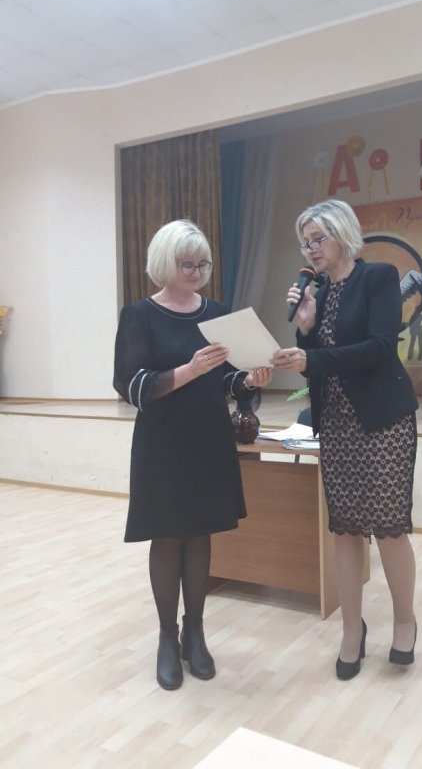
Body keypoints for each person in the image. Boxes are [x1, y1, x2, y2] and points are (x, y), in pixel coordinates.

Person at [113, 219, 272, 691]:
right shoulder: (139, 315)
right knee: (167, 537)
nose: (198, 271)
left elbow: (225, 378)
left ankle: (195, 633)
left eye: (204, 263)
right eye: (188, 264)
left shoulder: (218, 314)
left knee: (201, 535)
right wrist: (188, 370)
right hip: (162, 442)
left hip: (208, 438)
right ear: (165, 263)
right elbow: (129, 385)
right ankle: (167, 636)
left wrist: (248, 379)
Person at [272, 199, 419, 680]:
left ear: (342, 234)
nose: (311, 249)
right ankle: (352, 630)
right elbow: (318, 361)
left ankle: (404, 620)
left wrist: (312, 357)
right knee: (345, 528)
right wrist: (307, 328)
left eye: (318, 239)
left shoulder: (377, 278)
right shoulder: (316, 293)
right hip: (336, 422)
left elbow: (379, 347)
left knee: (389, 527)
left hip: (383, 420)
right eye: (305, 243)